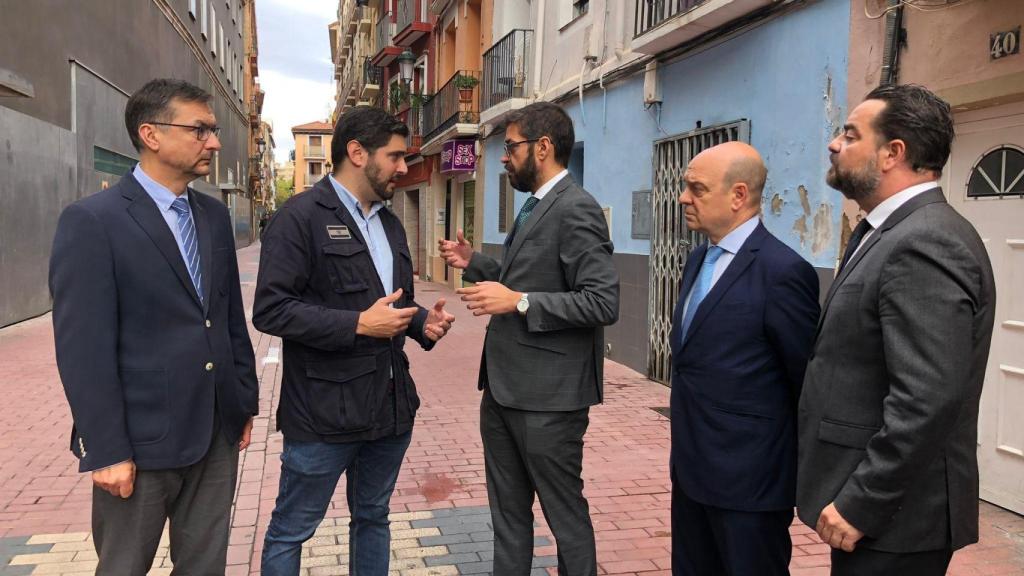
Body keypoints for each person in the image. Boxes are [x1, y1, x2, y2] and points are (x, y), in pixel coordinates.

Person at [49, 78, 259, 575]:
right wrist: (106, 449)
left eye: (212, 129)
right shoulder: (93, 221)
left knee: (205, 567)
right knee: (124, 567)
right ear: (151, 134)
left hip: (215, 433)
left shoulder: (211, 215)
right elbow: (83, 349)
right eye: (200, 129)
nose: (213, 141)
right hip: (138, 443)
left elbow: (228, 317)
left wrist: (242, 400)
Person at [797, 84, 996, 575]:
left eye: (849, 134)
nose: (833, 144)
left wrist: (862, 501)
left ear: (893, 154)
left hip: (896, 520)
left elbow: (926, 398)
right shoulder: (885, 230)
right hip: (880, 514)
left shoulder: (924, 240)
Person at [254, 105, 456, 576]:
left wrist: (421, 323)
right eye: (396, 156)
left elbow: (390, 304)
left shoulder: (389, 223)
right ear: (357, 153)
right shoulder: (299, 217)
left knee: (374, 517)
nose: (404, 168)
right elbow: (270, 308)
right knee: (291, 530)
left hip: (389, 410)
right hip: (322, 415)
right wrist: (357, 326)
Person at [439, 102, 619, 576]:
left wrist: (518, 301)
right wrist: (475, 261)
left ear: (542, 148)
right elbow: (528, 278)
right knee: (508, 519)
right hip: (502, 392)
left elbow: (602, 302)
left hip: (550, 403)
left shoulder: (576, 207)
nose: (502, 156)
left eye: (511, 146)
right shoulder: (535, 205)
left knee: (565, 518)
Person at [669, 142, 819, 575]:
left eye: (697, 188)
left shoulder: (783, 272)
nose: (683, 198)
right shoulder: (698, 259)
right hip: (692, 473)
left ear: (738, 196)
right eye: (684, 186)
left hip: (750, 487)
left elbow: (804, 381)